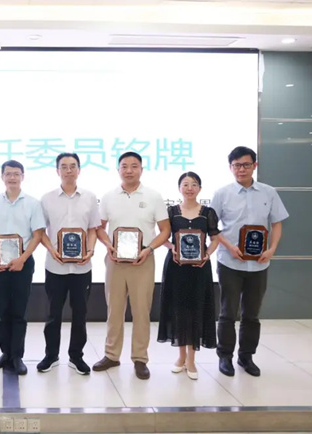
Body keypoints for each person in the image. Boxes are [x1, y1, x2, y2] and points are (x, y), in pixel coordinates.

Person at [211, 146, 289, 377]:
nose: (241, 169)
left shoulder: (269, 192)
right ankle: (225, 356)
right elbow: (212, 228)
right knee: (227, 312)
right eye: (236, 165)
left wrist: (272, 249)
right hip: (230, 262)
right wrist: (229, 247)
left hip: (259, 263)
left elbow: (276, 223)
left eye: (246, 164)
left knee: (252, 314)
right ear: (230, 168)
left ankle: (246, 356)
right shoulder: (222, 194)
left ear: (255, 165)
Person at [94, 151, 170, 380]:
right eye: (124, 166)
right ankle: (111, 355)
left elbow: (165, 230)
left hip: (143, 261)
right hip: (115, 261)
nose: (129, 170)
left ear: (141, 170)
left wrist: (149, 249)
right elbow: (99, 228)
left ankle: (140, 358)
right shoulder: (108, 197)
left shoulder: (153, 196)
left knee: (141, 311)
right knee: (114, 310)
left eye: (134, 166)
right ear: (118, 170)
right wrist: (108, 245)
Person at [38, 153, 100, 376]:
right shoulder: (47, 199)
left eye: (73, 166)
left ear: (79, 170)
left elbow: (93, 229)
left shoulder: (90, 198)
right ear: (57, 171)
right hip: (55, 266)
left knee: (80, 314)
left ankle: (76, 356)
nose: (68, 170)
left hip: (82, 268)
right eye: (63, 167)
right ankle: (51, 355)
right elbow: (40, 231)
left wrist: (90, 250)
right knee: (53, 314)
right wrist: (51, 249)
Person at [157, 172, 220, 380]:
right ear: (179, 188)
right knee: (179, 309)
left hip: (199, 268)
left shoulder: (208, 212)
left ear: (200, 188)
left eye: (194, 184)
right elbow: (163, 236)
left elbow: (215, 238)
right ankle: (180, 356)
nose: (189, 188)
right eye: (185, 184)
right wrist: (172, 248)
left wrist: (207, 255)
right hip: (176, 267)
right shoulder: (171, 211)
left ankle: (191, 359)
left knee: (196, 309)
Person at [0, 160, 46, 375]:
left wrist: (22, 258)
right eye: (8, 173)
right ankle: (5, 353)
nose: (12, 177)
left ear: (23, 176)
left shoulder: (33, 203)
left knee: (19, 311)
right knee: (3, 310)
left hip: (24, 262)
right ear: (2, 176)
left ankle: (17, 355)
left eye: (16, 173)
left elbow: (37, 235)